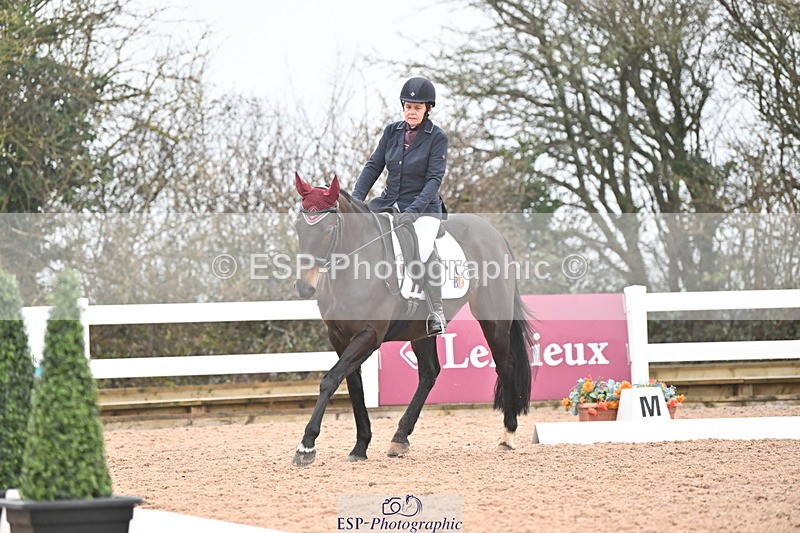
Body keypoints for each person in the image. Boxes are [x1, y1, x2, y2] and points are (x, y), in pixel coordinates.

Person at [352, 76, 448, 336]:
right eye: (408, 106)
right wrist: (355, 199)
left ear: (427, 108)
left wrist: (413, 211)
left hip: (424, 208)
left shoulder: (437, 137)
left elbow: (433, 181)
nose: (411, 111)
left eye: (417, 107)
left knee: (425, 246)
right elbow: (374, 166)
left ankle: (435, 310)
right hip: (388, 203)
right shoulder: (391, 132)